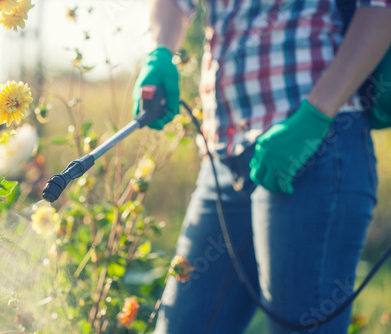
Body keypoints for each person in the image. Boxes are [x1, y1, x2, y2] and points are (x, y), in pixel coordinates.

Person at [131, 0, 391, 333]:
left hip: (314, 145)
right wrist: (159, 53)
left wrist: (317, 114)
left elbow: (380, 8)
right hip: (225, 157)